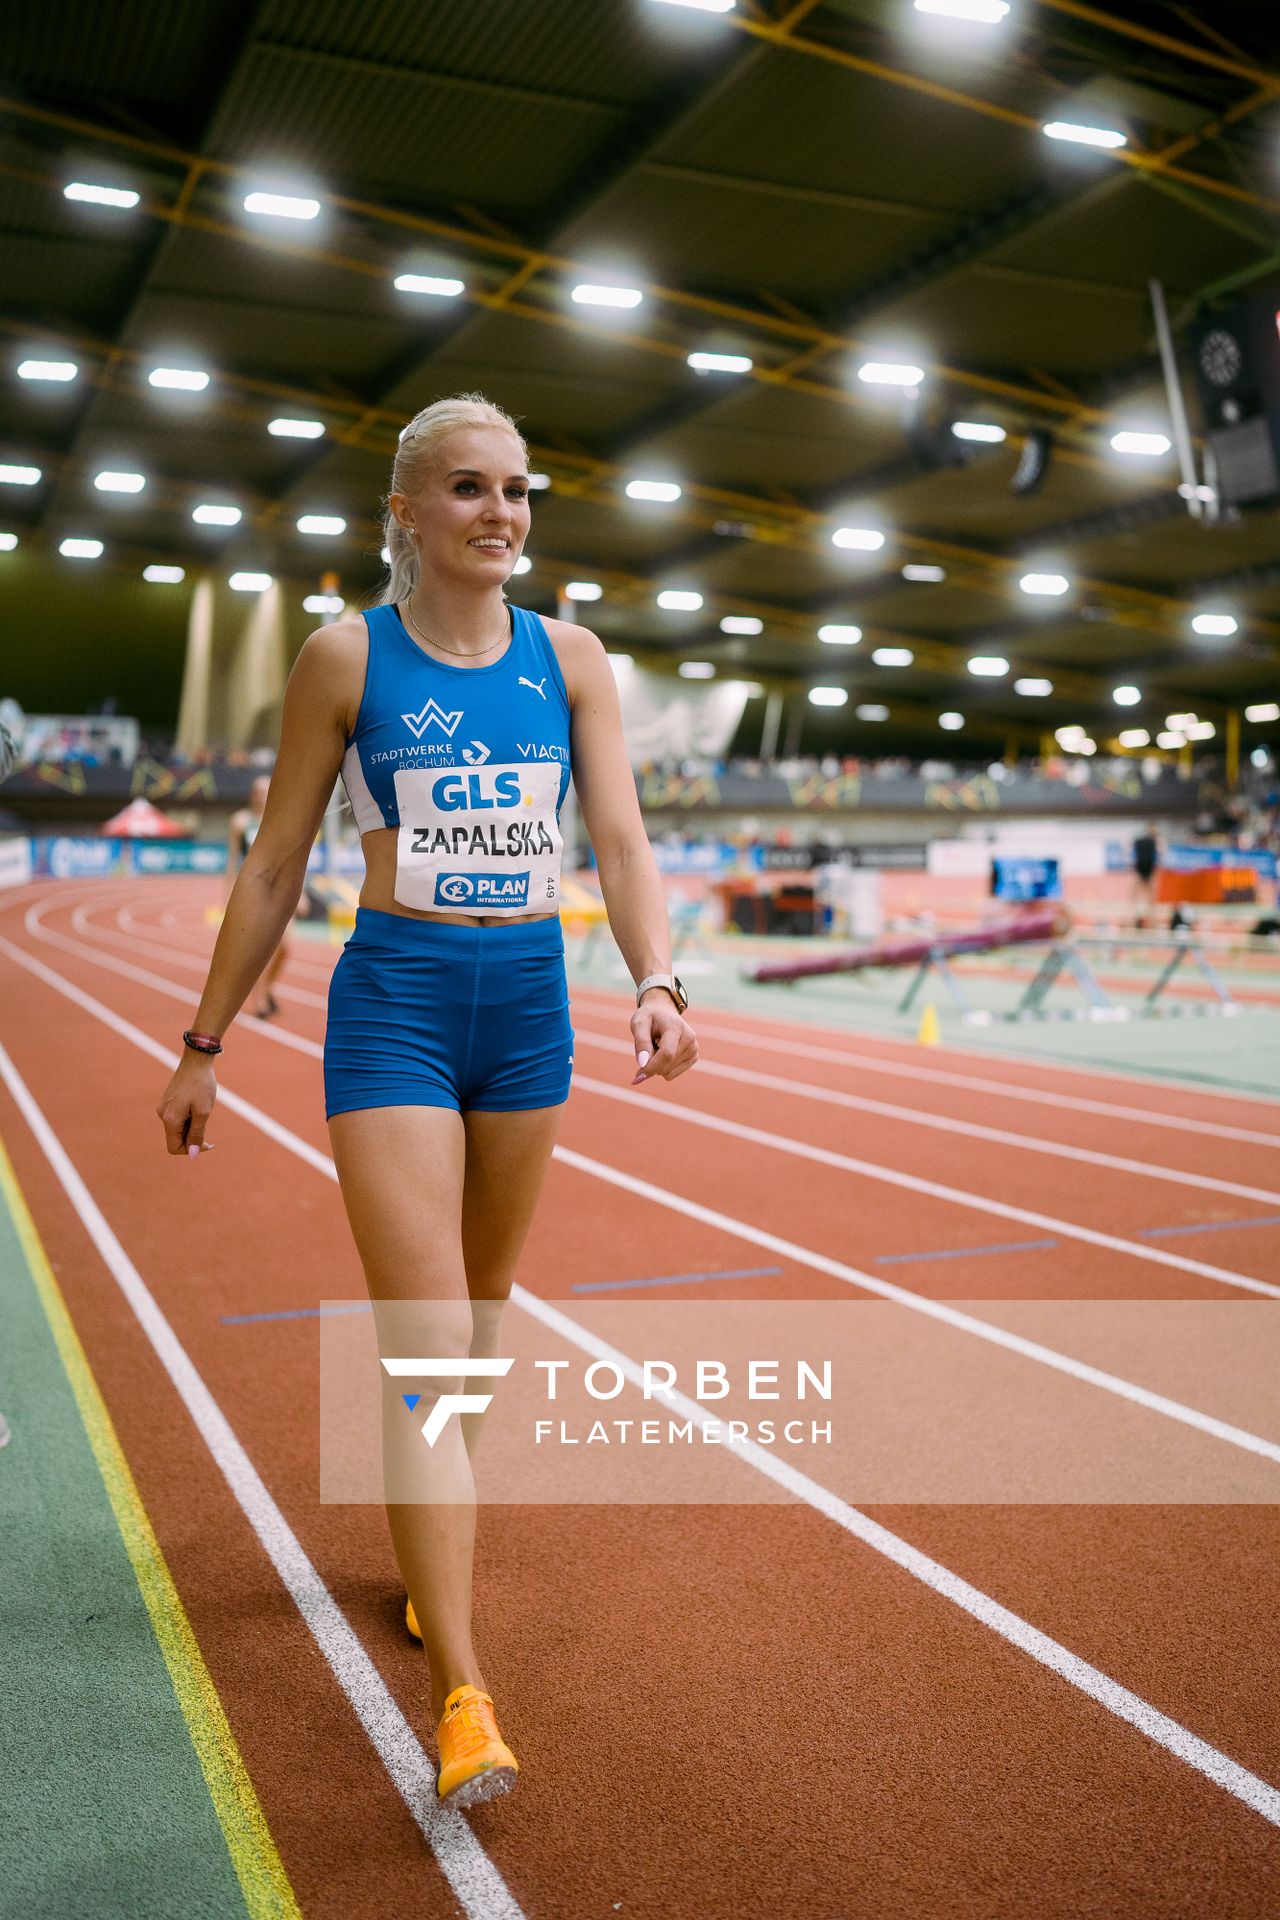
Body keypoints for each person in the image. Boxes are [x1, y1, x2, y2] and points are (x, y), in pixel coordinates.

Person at [156, 392, 698, 1808]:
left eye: (521, 490)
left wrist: (659, 979)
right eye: (470, 489)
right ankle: (463, 1690)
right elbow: (275, 864)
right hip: (393, 1007)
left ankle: (425, 1565)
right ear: (407, 509)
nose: (504, 514)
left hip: (526, 1013)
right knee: (430, 1344)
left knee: (483, 1322)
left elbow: (625, 841)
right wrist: (204, 1039)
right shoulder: (347, 656)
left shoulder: (571, 660)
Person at [226, 774, 300, 1017]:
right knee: (260, 951)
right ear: (252, 794)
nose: (262, 795)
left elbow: (293, 858)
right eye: (258, 791)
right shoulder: (240, 822)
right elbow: (232, 862)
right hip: (254, 893)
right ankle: (259, 1003)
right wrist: (228, 897)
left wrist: (302, 893)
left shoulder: (281, 819)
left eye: (267, 791)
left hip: (280, 890)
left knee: (286, 948)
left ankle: (266, 989)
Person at [1131, 820, 1161, 926]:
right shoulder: (1152, 841)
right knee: (1140, 895)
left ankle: (1151, 919)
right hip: (1145, 867)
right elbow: (1161, 851)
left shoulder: (1150, 840)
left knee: (1148, 896)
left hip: (1145, 867)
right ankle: (1135, 918)